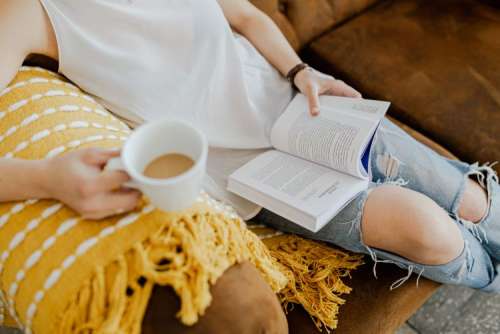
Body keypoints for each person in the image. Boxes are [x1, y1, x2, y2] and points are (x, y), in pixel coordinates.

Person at [0, 0, 499, 330]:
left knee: (473, 201)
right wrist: (48, 178)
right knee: (431, 232)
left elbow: (247, 18)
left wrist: (301, 72)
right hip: (253, 177)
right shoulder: (24, 13)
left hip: (307, 112)